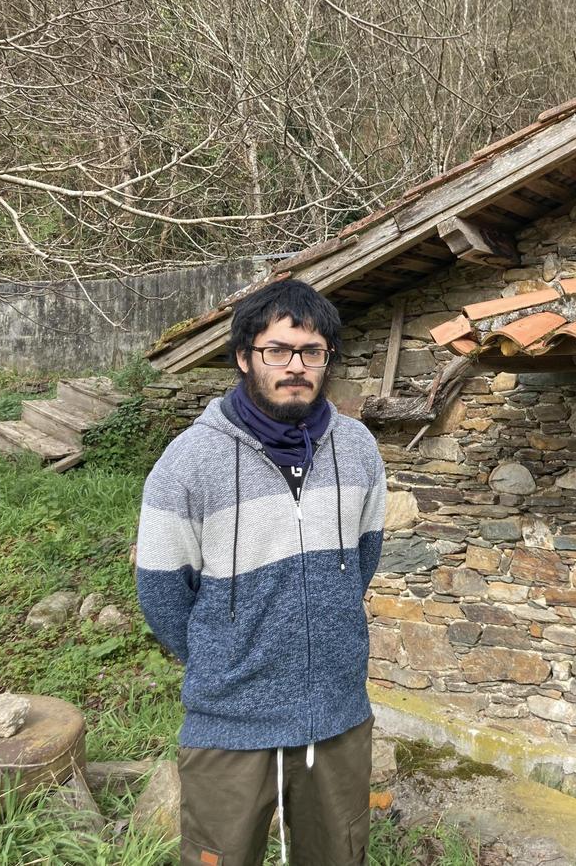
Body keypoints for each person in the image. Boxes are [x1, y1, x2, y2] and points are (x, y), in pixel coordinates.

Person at [136, 279, 387, 866]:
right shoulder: (189, 462)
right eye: (278, 350)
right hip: (230, 720)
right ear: (245, 356)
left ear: (327, 360)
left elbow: (363, 560)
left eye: (312, 351)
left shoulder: (357, 449)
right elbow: (162, 592)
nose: (295, 366)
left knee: (339, 854)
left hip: (338, 711)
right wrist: (226, 656)